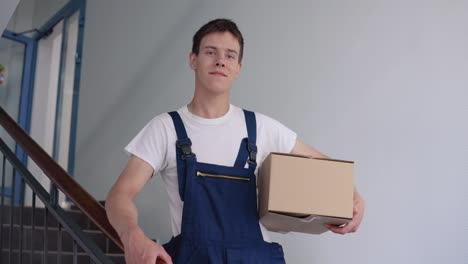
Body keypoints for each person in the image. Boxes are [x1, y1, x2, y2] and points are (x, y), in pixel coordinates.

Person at [105, 18, 365, 264]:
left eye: (230, 55)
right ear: (193, 60)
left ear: (238, 68)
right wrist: (132, 237)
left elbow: (330, 172)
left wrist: (354, 198)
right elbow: (120, 195)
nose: (220, 61)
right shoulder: (165, 128)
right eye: (210, 52)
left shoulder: (261, 128)